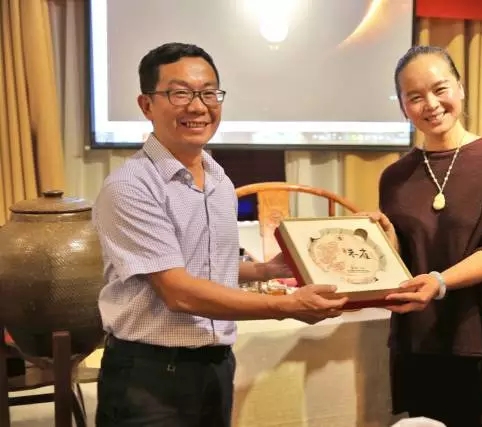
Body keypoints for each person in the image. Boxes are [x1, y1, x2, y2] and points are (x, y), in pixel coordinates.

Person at [92, 42, 347, 427]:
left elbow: (202, 264)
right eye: (180, 93)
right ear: (146, 106)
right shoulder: (131, 186)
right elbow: (178, 291)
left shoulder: (218, 179)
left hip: (216, 367)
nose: (198, 107)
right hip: (150, 377)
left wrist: (265, 271)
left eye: (209, 93)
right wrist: (286, 307)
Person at [367, 45, 482, 427]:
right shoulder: (395, 177)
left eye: (440, 89)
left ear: (460, 88)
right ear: (403, 107)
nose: (431, 104)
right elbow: (406, 259)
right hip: (419, 339)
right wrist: (386, 243)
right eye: (415, 97)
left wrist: (440, 282)